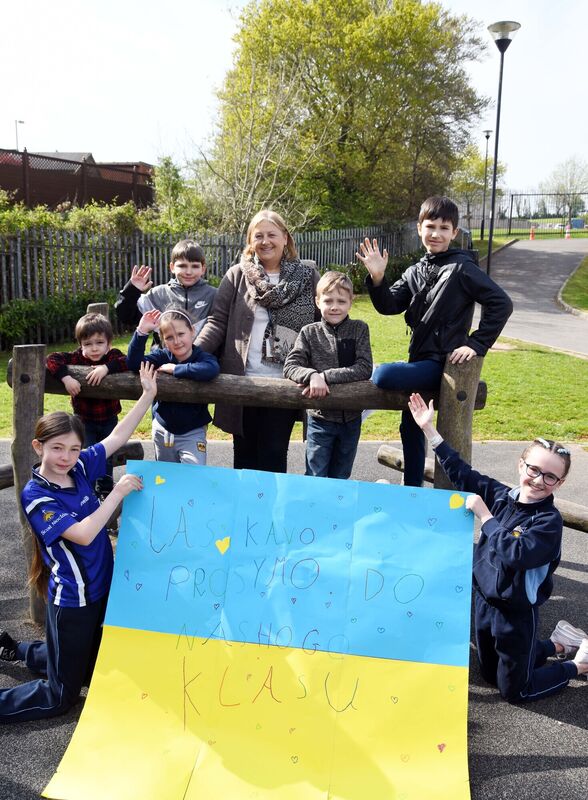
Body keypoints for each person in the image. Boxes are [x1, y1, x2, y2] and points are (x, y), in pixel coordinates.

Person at [0, 363, 158, 722]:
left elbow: (117, 437)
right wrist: (116, 494)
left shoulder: (79, 467)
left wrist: (148, 395)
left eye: (73, 449)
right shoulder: (37, 494)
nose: (66, 458)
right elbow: (84, 534)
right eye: (57, 449)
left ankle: (17, 649)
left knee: (91, 663)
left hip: (103, 591)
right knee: (61, 696)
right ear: (38, 446)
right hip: (73, 600)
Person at [407, 391, 588, 702]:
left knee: (516, 691)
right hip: (484, 604)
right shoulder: (503, 495)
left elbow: (517, 554)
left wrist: (485, 516)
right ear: (521, 465)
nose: (538, 479)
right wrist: (429, 430)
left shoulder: (548, 522)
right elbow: (463, 474)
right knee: (490, 674)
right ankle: (558, 644)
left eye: (550, 476)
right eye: (534, 469)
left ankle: (578, 665)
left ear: (559, 483)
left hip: (516, 614)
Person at [356, 195, 512, 487]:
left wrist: (477, 344)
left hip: (441, 363)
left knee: (383, 373)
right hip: (419, 359)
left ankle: (442, 491)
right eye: (430, 226)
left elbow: (501, 303)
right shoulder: (416, 270)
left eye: (444, 227)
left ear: (454, 233)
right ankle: (412, 492)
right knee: (411, 426)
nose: (436, 233)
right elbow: (390, 305)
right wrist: (377, 279)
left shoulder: (462, 269)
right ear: (419, 228)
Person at [196, 209, 320, 473]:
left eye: (272, 235)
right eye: (259, 235)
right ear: (251, 241)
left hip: (287, 380)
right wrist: (190, 354)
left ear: (285, 238)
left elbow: (324, 324)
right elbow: (217, 323)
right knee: (244, 458)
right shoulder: (237, 275)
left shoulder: (307, 275)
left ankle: (271, 515)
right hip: (243, 381)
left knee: (274, 455)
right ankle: (247, 516)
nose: (266, 241)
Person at [283, 271, 372, 479]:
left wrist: (326, 376)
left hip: (351, 418)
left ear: (351, 302)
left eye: (341, 301)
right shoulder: (309, 332)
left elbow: (364, 367)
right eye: (328, 300)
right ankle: (314, 511)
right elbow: (290, 366)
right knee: (316, 474)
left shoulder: (359, 329)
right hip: (319, 418)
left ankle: (337, 512)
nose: (334, 306)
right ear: (317, 301)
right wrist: (312, 375)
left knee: (341, 475)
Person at [46, 312, 128, 498]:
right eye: (88, 344)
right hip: (84, 421)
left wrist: (106, 368)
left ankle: (105, 488)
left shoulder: (112, 357)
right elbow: (51, 359)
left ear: (109, 343)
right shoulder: (77, 358)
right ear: (81, 345)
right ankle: (87, 489)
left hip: (109, 418)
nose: (94, 349)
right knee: (87, 455)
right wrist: (66, 378)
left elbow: (129, 361)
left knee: (106, 453)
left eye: (99, 343)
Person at [127, 308, 220, 465]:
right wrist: (141, 332)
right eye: (169, 337)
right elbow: (134, 363)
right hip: (163, 431)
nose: (177, 341)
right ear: (163, 340)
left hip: (193, 432)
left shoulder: (202, 357)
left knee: (194, 475)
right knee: (165, 478)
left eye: (181, 334)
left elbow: (211, 369)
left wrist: (175, 369)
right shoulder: (162, 356)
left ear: (192, 331)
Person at [114, 238, 217, 346]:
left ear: (203, 269)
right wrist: (132, 290)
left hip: (202, 360)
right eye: (182, 266)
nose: (188, 272)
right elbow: (125, 317)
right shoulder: (157, 295)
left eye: (195, 266)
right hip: (163, 360)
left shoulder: (214, 295)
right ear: (172, 267)